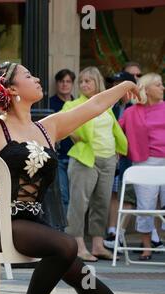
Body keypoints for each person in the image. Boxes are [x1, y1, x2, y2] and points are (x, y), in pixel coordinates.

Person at [0, 61, 138, 294]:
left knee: (82, 276)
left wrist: (124, 85)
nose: (37, 79)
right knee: (67, 246)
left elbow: (96, 104)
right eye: (28, 76)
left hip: (32, 223)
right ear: (12, 89)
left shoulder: (48, 127)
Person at [62, 67, 128, 262]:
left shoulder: (106, 106)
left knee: (102, 203)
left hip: (108, 160)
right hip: (85, 159)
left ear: (97, 82)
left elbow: (113, 129)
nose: (83, 85)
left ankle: (98, 245)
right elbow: (66, 126)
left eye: (88, 81)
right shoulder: (73, 105)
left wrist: (117, 148)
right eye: (81, 81)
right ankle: (78, 245)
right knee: (79, 203)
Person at [118, 73, 165, 260]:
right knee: (146, 207)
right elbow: (115, 130)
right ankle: (147, 247)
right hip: (145, 162)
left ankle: (159, 241)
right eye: (159, 85)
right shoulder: (131, 111)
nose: (163, 88)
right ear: (146, 89)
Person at [104, 71, 137, 250]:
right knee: (114, 194)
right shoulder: (112, 106)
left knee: (129, 197)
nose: (115, 88)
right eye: (114, 84)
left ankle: (120, 233)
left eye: (120, 84)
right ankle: (111, 231)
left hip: (132, 157)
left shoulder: (137, 105)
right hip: (114, 158)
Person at [49, 69, 76, 214]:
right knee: (63, 196)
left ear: (72, 84)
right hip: (59, 156)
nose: (64, 85)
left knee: (76, 197)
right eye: (61, 81)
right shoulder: (49, 103)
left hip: (76, 156)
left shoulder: (78, 103)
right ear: (56, 83)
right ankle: (64, 233)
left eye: (68, 81)